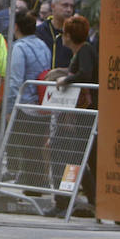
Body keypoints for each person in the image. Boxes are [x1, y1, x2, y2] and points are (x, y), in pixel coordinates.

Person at [46, 14, 99, 217]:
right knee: (78, 158)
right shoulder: (82, 51)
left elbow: (84, 74)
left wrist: (65, 81)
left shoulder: (85, 51)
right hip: (81, 114)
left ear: (68, 36)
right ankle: (87, 200)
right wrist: (62, 71)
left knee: (74, 157)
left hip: (83, 114)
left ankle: (68, 200)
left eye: (64, 34)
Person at [2, 10, 52, 189]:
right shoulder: (44, 45)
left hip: (25, 106)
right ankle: (37, 183)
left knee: (26, 147)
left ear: (16, 27)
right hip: (43, 103)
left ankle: (31, 183)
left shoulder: (19, 48)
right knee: (37, 147)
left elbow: (15, 82)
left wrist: (9, 109)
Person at [36, 0, 75, 68]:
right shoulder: (39, 31)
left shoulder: (77, 32)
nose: (69, 10)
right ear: (53, 6)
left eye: (71, 6)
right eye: (65, 5)